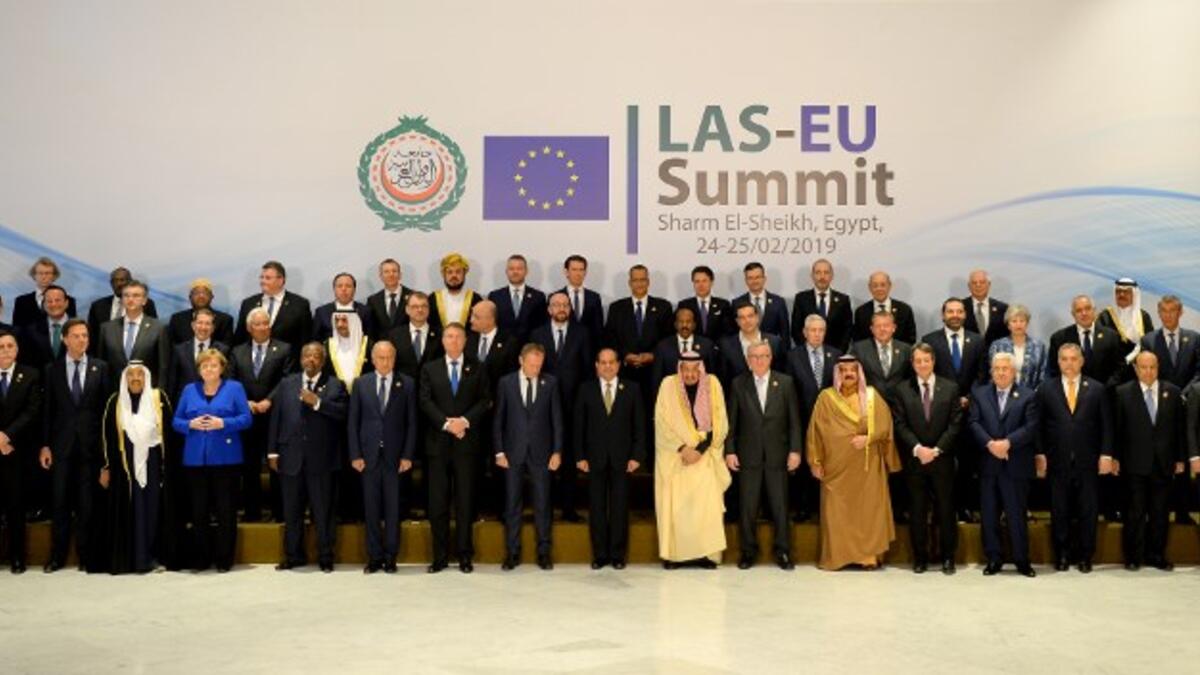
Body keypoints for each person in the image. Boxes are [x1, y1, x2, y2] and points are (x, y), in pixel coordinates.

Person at [806, 355, 900, 570]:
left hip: (867, 468)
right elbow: (815, 432)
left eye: (852, 370)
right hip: (835, 468)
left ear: (859, 373)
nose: (848, 374)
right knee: (837, 512)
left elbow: (886, 427)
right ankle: (838, 557)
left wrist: (869, 437)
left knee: (868, 512)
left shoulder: (872, 397)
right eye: (843, 370)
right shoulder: (826, 398)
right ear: (837, 373)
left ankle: (867, 557)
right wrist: (815, 461)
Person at [268, 342, 349, 573]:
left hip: (321, 460)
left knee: (323, 512)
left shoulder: (335, 385)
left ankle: (325, 556)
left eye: (315, 356)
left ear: (322, 361)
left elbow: (343, 413)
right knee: (291, 511)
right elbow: (277, 418)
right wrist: (273, 451)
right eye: (306, 355)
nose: (310, 359)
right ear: (301, 359)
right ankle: (293, 555)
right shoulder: (287, 384)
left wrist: (318, 403)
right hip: (290, 458)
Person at [420, 323, 491, 573]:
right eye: (449, 336)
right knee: (438, 504)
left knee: (465, 502)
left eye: (458, 337)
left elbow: (485, 400)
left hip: (466, 444)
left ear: (465, 341)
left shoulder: (478, 368)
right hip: (438, 445)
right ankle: (439, 557)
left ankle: (464, 555)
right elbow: (425, 400)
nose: (454, 341)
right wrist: (446, 424)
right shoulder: (430, 368)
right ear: (442, 340)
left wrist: (465, 421)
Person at [172, 348, 252, 572]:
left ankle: (224, 559)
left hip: (226, 460)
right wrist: (190, 424)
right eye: (205, 366)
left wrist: (223, 423)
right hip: (196, 460)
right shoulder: (189, 390)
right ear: (199, 369)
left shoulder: (235, 388)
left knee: (226, 511)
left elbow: (246, 419)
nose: (209, 369)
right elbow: (175, 421)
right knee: (199, 512)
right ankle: (201, 558)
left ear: (222, 368)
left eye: (214, 365)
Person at [725, 341, 803, 570]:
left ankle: (783, 551)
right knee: (747, 507)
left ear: (771, 358)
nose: (759, 360)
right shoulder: (738, 384)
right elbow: (732, 422)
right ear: (748, 360)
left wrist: (795, 451)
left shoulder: (786, 383)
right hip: (748, 456)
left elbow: (794, 422)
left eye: (764, 356)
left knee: (780, 506)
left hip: (778, 455)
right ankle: (748, 551)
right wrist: (729, 450)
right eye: (755, 357)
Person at [1035, 343, 1111, 573]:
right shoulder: (1046, 389)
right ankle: (1063, 554)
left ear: (1082, 361)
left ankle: (1086, 556)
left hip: (1088, 461)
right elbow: (1038, 426)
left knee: (1088, 510)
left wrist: (1106, 454)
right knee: (1060, 510)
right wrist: (1039, 454)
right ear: (1058, 362)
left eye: (1073, 359)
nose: (1069, 363)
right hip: (1057, 461)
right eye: (1064, 359)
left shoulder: (1097, 389)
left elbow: (1107, 425)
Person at [40, 319, 109, 573]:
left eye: (85, 336)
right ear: (65, 339)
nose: (82, 340)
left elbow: (105, 412)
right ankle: (57, 556)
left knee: (86, 506)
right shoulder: (52, 370)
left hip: (90, 450)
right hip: (61, 449)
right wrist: (45, 445)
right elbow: (48, 411)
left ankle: (86, 555)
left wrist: (105, 455)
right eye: (77, 336)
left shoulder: (100, 368)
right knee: (59, 504)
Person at [654, 353, 731, 569]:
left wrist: (700, 450)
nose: (689, 374)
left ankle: (705, 554)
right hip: (676, 456)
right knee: (676, 508)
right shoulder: (668, 385)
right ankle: (675, 556)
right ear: (680, 369)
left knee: (705, 509)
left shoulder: (712, 384)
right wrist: (682, 448)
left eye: (694, 370)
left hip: (704, 456)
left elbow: (721, 421)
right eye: (685, 370)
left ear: (701, 369)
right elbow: (660, 422)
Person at [892, 343, 962, 574]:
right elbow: (900, 424)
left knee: (945, 510)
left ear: (933, 361)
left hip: (942, 460)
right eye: (918, 361)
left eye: (926, 360)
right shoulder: (902, 390)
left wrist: (937, 449)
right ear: (912, 364)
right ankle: (920, 557)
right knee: (918, 510)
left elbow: (955, 424)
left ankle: (948, 557)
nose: (922, 364)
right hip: (915, 461)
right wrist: (918, 448)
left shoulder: (950, 388)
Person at [348, 341, 416, 573]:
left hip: (395, 459)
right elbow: (353, 422)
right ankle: (374, 557)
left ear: (394, 359)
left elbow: (412, 423)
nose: (385, 362)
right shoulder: (361, 383)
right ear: (373, 359)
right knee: (371, 509)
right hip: (368, 458)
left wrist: (407, 455)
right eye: (381, 358)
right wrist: (355, 454)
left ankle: (391, 557)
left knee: (393, 509)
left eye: (389, 358)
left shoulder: (406, 384)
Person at [98, 362, 173, 574]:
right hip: (125, 468)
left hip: (153, 464)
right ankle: (133, 559)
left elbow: (169, 434)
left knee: (152, 509)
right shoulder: (116, 402)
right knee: (132, 509)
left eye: (140, 374)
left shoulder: (158, 399)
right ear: (124, 379)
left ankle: (151, 557)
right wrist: (106, 466)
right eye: (131, 375)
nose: (136, 378)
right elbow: (106, 436)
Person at [1115, 351, 1187, 571]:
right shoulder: (1123, 393)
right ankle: (1133, 557)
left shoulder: (1173, 393)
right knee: (1135, 512)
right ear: (1136, 368)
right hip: (1134, 463)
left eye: (1152, 367)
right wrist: (1115, 458)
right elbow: (1117, 430)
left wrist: (1180, 458)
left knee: (1160, 512)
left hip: (1163, 463)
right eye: (1143, 367)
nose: (1148, 371)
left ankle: (1156, 555)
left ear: (1158, 367)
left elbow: (1180, 430)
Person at [494, 343, 563, 571]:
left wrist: (557, 451)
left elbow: (557, 420)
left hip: (542, 453)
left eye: (539, 365)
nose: (536, 369)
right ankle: (512, 552)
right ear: (521, 361)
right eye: (532, 365)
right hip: (513, 453)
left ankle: (544, 552)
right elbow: (499, 420)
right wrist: (499, 451)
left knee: (543, 504)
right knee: (512, 504)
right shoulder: (506, 383)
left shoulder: (550, 383)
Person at [970, 352, 1039, 577]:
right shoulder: (979, 394)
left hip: (1015, 465)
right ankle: (993, 558)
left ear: (1014, 372)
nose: (1001, 372)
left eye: (1005, 368)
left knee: (1016, 515)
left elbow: (1031, 428)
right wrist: (990, 444)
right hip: (988, 465)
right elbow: (973, 423)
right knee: (989, 515)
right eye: (997, 368)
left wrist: (1007, 443)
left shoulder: (1028, 396)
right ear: (991, 372)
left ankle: (1022, 560)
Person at [574, 348, 644, 569]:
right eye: (602, 362)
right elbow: (578, 427)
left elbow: (640, 426)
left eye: (611, 362)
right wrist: (579, 455)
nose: (607, 366)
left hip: (622, 459)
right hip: (594, 459)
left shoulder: (632, 389)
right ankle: (600, 554)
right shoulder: (585, 389)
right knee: (596, 507)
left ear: (619, 364)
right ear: (596, 365)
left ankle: (617, 555)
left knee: (620, 507)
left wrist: (637, 455)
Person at [529, 292, 592, 522]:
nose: (561, 308)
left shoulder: (582, 333)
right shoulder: (537, 334)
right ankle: (544, 508)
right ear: (549, 309)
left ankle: (568, 508)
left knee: (568, 460)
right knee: (543, 459)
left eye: (565, 304)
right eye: (556, 304)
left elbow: (586, 371)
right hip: (544, 407)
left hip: (574, 406)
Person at [922, 298, 985, 523]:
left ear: (965, 315)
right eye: (951, 311)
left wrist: (969, 398)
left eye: (959, 311)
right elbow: (927, 374)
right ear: (943, 315)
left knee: (967, 464)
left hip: (969, 413)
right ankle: (942, 509)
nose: (955, 315)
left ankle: (965, 507)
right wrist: (948, 399)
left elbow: (981, 374)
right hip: (940, 413)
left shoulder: (977, 341)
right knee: (942, 466)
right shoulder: (930, 340)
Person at [229, 307, 294, 522]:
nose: (262, 327)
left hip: (274, 417)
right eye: (257, 324)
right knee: (249, 468)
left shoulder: (284, 349)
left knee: (277, 466)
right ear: (249, 328)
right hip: (246, 417)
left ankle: (279, 512)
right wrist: (245, 402)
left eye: (265, 323)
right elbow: (231, 381)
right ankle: (251, 513)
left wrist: (269, 400)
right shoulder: (237, 352)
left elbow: (286, 380)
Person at [466, 300, 519, 517]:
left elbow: (511, 378)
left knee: (499, 462)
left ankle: (500, 508)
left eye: (476, 317)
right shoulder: (468, 341)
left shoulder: (509, 342)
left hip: (500, 414)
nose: (471, 320)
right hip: (473, 415)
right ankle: (476, 507)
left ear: (490, 319)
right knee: (474, 462)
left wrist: (494, 401)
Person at [785, 314, 841, 522]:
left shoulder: (836, 355)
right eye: (813, 330)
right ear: (805, 332)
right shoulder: (792, 356)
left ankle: (825, 508)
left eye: (821, 330)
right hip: (801, 418)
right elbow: (788, 390)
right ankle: (803, 508)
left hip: (829, 422)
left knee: (828, 462)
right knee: (804, 465)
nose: (817, 334)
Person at [0, 330, 41, 573]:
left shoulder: (30, 375)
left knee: (16, 505)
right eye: (1, 346)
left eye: (10, 346)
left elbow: (32, 410)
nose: (5, 350)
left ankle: (17, 557)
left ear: (17, 349)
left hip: (17, 450)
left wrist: (7, 436)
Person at [604, 263, 674, 394]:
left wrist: (653, 355)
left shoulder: (663, 307)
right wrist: (625, 355)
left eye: (643, 280)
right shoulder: (616, 308)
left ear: (648, 282)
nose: (639, 284)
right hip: (625, 372)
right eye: (635, 280)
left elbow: (668, 338)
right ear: (630, 283)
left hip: (655, 371)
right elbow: (610, 338)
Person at [96, 279, 170, 389]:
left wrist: (159, 393)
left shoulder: (158, 328)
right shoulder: (107, 328)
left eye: (136, 296)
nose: (130, 299)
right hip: (114, 393)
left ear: (144, 300)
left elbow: (163, 367)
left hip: (147, 393)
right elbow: (101, 365)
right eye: (126, 295)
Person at [234, 261, 313, 351]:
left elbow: (305, 340)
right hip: (254, 361)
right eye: (261, 277)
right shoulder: (248, 304)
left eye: (267, 278)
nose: (262, 281)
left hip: (289, 362)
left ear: (281, 280)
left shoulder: (300, 304)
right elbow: (240, 338)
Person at [1046, 295, 1123, 384]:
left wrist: (1105, 388)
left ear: (1094, 310)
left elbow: (1119, 368)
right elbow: (1055, 371)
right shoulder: (1059, 338)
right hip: (1072, 394)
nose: (1084, 313)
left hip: (1106, 393)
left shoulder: (1111, 336)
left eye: (1087, 309)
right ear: (1073, 314)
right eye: (1079, 310)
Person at [166, 308, 230, 402]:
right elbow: (172, 382)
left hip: (214, 403)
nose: (203, 327)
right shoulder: (179, 350)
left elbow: (226, 380)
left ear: (212, 328)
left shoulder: (223, 350)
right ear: (193, 325)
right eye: (200, 323)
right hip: (185, 403)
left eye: (207, 324)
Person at [850, 310, 913, 405]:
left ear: (894, 328)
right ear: (872, 329)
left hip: (899, 404)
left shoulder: (906, 349)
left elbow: (910, 378)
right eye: (878, 326)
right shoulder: (859, 349)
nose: (882, 329)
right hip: (869, 403)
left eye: (886, 325)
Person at [791, 258, 853, 352]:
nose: (822, 276)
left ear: (831, 276)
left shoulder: (843, 300)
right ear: (812, 276)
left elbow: (847, 330)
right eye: (818, 272)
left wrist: (838, 352)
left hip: (835, 354)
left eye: (826, 272)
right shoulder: (801, 299)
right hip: (808, 355)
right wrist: (807, 351)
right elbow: (796, 329)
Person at [717, 300, 783, 384]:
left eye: (750, 316)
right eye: (742, 318)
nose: (747, 321)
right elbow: (724, 378)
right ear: (737, 321)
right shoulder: (726, 345)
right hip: (738, 395)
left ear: (757, 318)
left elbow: (780, 374)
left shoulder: (774, 342)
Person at [86, 266, 157, 344]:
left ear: (130, 281)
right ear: (111, 284)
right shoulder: (97, 306)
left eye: (122, 280)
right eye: (115, 281)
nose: (119, 284)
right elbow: (92, 337)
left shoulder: (146, 304)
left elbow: (153, 333)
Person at [487, 253, 548, 343]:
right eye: (511, 269)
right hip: (502, 348)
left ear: (526, 271)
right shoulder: (495, 296)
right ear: (506, 271)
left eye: (519, 269)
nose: (515, 272)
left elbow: (542, 326)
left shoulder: (538, 297)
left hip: (530, 348)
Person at [652, 306, 717, 390]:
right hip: (671, 395)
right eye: (681, 322)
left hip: (700, 396)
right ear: (675, 324)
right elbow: (657, 380)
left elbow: (712, 377)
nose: (684, 325)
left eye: (688, 322)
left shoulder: (707, 345)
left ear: (694, 325)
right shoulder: (663, 346)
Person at [1097, 277, 1155, 367]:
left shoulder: (1144, 316)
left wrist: (1132, 358)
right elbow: (1101, 344)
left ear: (1134, 294)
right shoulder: (1105, 316)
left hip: (1138, 367)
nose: (1121, 294)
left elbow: (1150, 342)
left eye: (1126, 292)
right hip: (1112, 367)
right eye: (1118, 291)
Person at [732, 262, 790, 350]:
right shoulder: (736, 303)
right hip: (745, 352)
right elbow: (734, 333)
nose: (754, 281)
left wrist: (785, 355)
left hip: (772, 352)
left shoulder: (778, 302)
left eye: (757, 277)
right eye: (750, 278)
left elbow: (785, 333)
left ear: (764, 278)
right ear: (746, 280)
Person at [988, 304, 1047, 389]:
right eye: (1014, 321)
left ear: (1027, 323)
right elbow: (992, 374)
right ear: (1008, 325)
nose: (1018, 324)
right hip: (1003, 395)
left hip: (1032, 396)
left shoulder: (1039, 347)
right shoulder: (997, 346)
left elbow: (1043, 375)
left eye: (1022, 321)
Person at [388, 291, 443, 382]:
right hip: (404, 390)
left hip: (432, 389)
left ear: (429, 309)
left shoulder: (441, 334)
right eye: (415, 307)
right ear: (407, 310)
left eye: (424, 306)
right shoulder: (395, 335)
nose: (420, 310)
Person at [852, 271, 917, 345]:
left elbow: (911, 339)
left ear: (889, 286)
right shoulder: (861, 312)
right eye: (875, 285)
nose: (879, 289)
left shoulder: (904, 310)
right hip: (869, 355)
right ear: (869, 288)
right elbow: (858, 340)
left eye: (883, 285)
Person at [13, 256, 78, 329]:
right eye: (40, 273)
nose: (43, 277)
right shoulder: (21, 302)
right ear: (34, 275)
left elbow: (72, 328)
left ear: (54, 276)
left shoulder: (69, 301)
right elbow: (17, 330)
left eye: (47, 273)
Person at [166, 278, 234, 346]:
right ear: (190, 297)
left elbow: (226, 349)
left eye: (205, 293)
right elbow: (171, 348)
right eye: (196, 293)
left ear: (212, 297)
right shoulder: (177, 319)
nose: (201, 296)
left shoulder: (224, 320)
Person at [16, 283, 70, 369]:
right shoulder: (30, 331)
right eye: (49, 301)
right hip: (40, 381)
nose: (53, 304)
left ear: (66, 303)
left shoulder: (80, 328)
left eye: (57, 300)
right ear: (44, 305)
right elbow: (26, 363)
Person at [558, 254, 605, 350]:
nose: (578, 273)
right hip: (564, 350)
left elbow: (599, 330)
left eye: (581, 270)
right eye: (574, 269)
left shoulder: (594, 297)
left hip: (589, 350)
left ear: (585, 272)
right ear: (566, 272)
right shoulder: (556, 297)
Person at [677, 265, 734, 343]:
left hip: (717, 349)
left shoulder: (723, 305)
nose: (701, 285)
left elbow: (728, 331)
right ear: (693, 283)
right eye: (697, 281)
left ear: (711, 282)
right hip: (692, 349)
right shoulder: (684, 305)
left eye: (704, 281)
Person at [313, 272, 374, 342]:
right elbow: (315, 340)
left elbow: (371, 339)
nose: (344, 289)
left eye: (348, 286)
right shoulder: (322, 312)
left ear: (354, 290)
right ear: (334, 289)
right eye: (339, 286)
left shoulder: (365, 311)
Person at [365, 258, 415, 341]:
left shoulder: (413, 296)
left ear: (400, 275)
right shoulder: (373, 301)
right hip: (382, 350)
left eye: (394, 271)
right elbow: (371, 330)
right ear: (381, 276)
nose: (391, 274)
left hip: (407, 348)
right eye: (386, 272)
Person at [429, 252, 482, 330]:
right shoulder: (433, 299)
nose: (454, 276)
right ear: (444, 275)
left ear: (464, 274)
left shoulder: (475, 299)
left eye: (458, 272)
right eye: (449, 272)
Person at [323, 309, 372, 390]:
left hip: (364, 395)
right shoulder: (327, 346)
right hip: (336, 397)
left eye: (344, 320)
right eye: (337, 320)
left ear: (354, 322)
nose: (339, 325)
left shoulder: (368, 345)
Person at [961, 269, 1010, 348]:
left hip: (996, 357)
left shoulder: (1003, 308)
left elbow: (1007, 336)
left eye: (982, 282)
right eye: (974, 283)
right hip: (968, 357)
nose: (978, 285)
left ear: (989, 284)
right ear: (969, 286)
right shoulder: (960, 307)